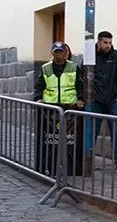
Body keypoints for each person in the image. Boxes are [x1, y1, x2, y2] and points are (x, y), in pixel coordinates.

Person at [33, 42, 84, 177]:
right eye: (56, 52)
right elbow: (39, 86)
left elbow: (79, 84)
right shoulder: (45, 68)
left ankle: (71, 169)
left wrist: (80, 99)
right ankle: (47, 166)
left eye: (61, 52)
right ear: (52, 53)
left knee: (70, 140)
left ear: (65, 53)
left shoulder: (74, 67)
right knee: (50, 140)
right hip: (50, 110)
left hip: (70, 108)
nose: (59, 55)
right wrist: (38, 98)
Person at [88, 30, 117, 174]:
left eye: (110, 42)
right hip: (96, 101)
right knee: (92, 131)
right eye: (105, 42)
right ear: (99, 42)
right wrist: (91, 95)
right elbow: (84, 75)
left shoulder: (115, 56)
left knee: (116, 132)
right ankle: (87, 161)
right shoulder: (91, 55)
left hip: (113, 101)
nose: (108, 45)